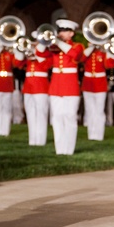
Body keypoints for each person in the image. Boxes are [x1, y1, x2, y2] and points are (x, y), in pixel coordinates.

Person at [45, 19, 84, 155]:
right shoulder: (53, 47)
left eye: (64, 31)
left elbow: (75, 55)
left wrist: (58, 42)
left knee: (70, 117)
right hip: (56, 86)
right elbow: (40, 54)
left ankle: (69, 149)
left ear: (71, 33)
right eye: (60, 31)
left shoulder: (78, 46)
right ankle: (60, 149)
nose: (61, 33)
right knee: (56, 118)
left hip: (70, 86)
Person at [0, 34, 24, 136]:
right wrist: (1, 46)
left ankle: (5, 131)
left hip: (7, 84)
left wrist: (15, 48)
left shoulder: (9, 54)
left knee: (7, 109)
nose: (0, 43)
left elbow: (19, 62)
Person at [23, 28, 52, 146]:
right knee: (30, 113)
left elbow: (46, 66)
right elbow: (18, 63)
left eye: (38, 41)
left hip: (41, 87)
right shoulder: (29, 52)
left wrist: (36, 54)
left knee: (41, 113)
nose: (35, 43)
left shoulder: (49, 53)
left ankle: (40, 140)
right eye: (35, 40)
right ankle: (32, 140)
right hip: (28, 87)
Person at [81, 38, 113, 140]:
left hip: (100, 84)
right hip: (88, 84)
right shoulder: (88, 51)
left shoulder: (102, 52)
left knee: (99, 110)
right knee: (89, 110)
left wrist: (107, 49)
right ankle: (91, 134)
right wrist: (92, 46)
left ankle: (99, 135)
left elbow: (108, 64)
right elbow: (81, 58)